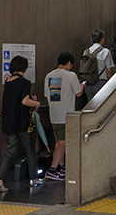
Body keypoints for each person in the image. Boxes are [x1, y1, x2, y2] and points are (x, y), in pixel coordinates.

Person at [0, 56, 43, 192]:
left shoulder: (8, 82)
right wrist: (36, 103)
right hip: (22, 123)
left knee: (10, 151)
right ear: (25, 68)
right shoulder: (24, 82)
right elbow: (25, 101)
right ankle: (34, 179)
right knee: (30, 151)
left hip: (9, 122)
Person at [43, 52, 85, 181]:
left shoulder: (48, 76)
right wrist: (82, 85)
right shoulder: (70, 75)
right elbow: (78, 93)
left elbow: (46, 95)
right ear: (68, 63)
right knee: (63, 142)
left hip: (53, 115)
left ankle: (62, 169)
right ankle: (52, 169)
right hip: (65, 115)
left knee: (59, 143)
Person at [83, 30, 115, 101]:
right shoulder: (105, 51)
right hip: (100, 83)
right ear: (102, 39)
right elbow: (109, 70)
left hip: (88, 84)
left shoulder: (86, 52)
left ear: (91, 40)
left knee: (91, 108)